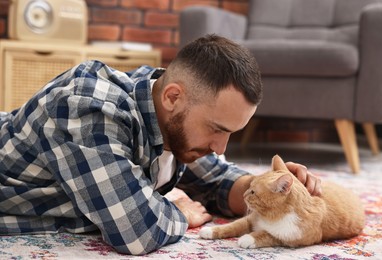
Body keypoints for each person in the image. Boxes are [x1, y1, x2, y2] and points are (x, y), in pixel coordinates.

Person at [0, 35, 321, 255]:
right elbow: (136, 230)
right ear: (173, 97)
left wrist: (274, 191)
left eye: (231, 133)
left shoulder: (166, 108)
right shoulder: (87, 108)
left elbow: (218, 182)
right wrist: (178, 213)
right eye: (216, 129)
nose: (221, 148)